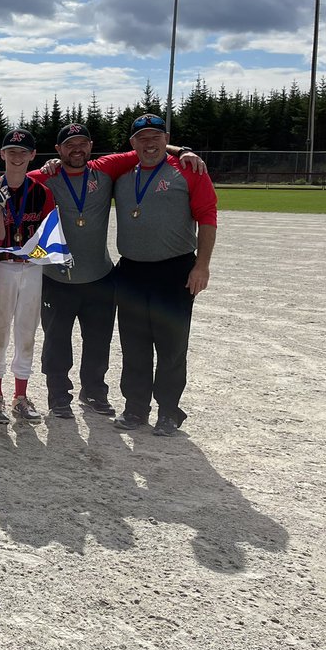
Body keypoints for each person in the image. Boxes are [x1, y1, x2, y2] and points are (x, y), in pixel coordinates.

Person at [29, 123, 207, 420]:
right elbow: (11, 179)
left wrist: (184, 150)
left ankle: (94, 392)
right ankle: (58, 395)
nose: (77, 149)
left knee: (98, 342)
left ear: (91, 145)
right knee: (57, 341)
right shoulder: (46, 177)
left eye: (82, 143)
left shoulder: (106, 168)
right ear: (58, 150)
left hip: (101, 276)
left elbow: (148, 147)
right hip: (57, 278)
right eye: (69, 144)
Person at [110, 114, 217, 436]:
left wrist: (202, 266)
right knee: (134, 344)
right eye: (142, 138)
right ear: (132, 144)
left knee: (171, 344)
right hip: (130, 270)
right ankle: (136, 408)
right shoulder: (122, 174)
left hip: (175, 269)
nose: (149, 142)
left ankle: (169, 411)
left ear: (165, 138)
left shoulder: (188, 169)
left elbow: (207, 217)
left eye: (156, 136)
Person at [0, 129, 55, 426]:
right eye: (11, 151)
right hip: (1, 267)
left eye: (22, 152)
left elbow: (49, 234)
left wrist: (34, 254)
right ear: (2, 155)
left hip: (31, 268)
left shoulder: (41, 192)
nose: (16, 156)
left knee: (27, 333)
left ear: (31, 156)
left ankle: (20, 396)